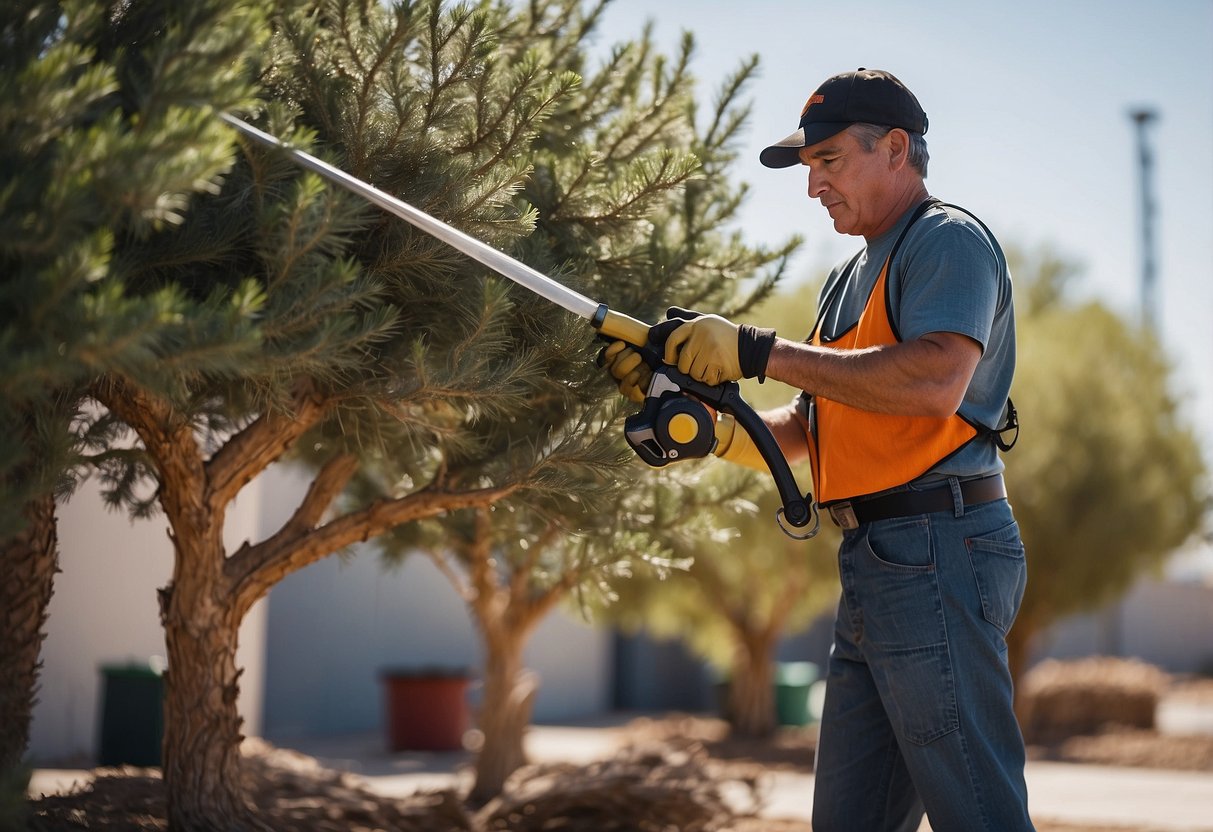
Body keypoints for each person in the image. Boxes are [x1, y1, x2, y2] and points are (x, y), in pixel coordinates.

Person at [602, 68, 1033, 832]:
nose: (814, 188)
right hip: (877, 561)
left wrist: (756, 350)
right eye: (810, 169)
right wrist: (694, 415)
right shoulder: (846, 277)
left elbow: (934, 378)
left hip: (938, 546)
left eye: (828, 162)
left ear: (896, 148)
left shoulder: (945, 241)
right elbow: (807, 429)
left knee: (978, 815)